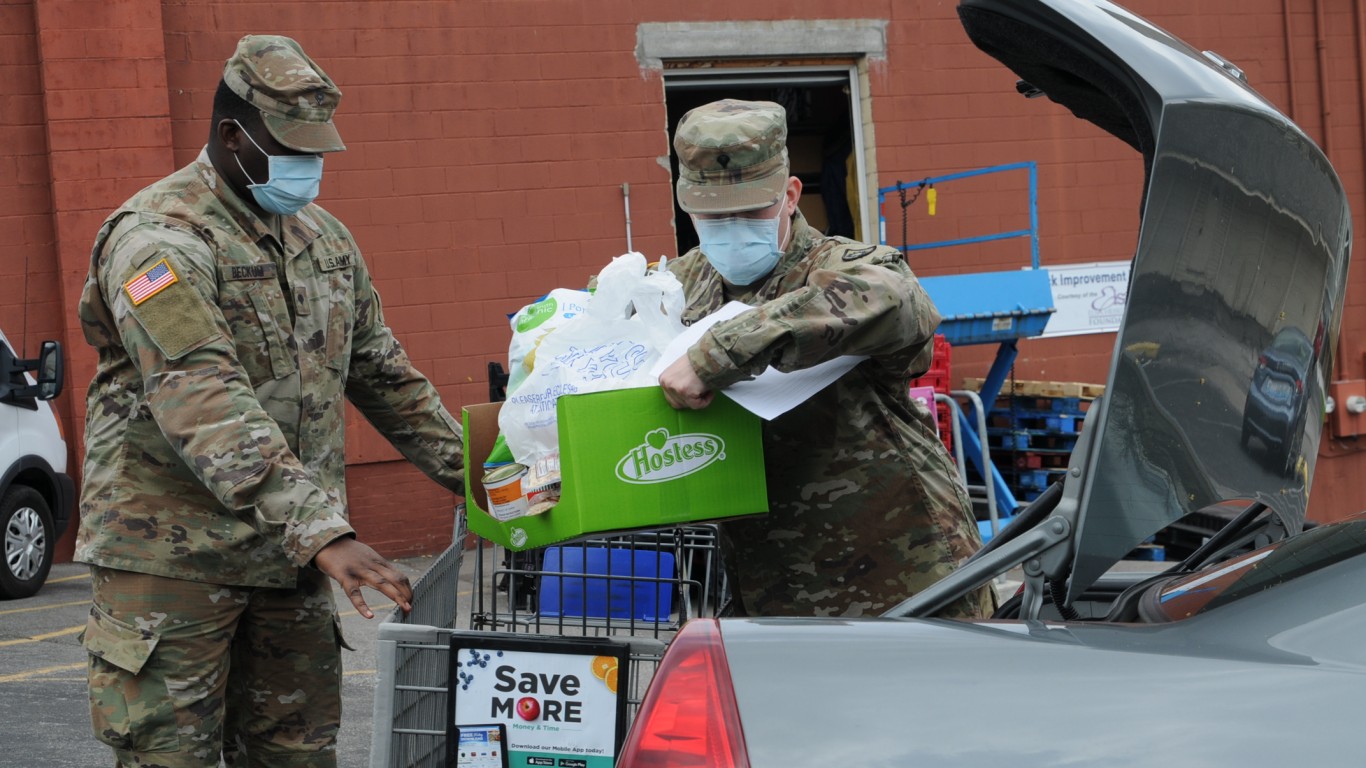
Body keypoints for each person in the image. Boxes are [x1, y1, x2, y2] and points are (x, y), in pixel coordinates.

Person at [75, 35, 465, 767]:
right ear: (232, 134)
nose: (308, 169)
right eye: (291, 148)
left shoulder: (323, 240)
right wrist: (324, 531)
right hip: (174, 564)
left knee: (297, 755)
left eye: (318, 152)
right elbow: (199, 395)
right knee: (170, 757)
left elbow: (383, 375)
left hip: (286, 561)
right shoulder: (160, 243)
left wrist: (483, 475)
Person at [658, 99, 993, 618]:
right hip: (770, 586)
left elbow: (898, 299)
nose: (732, 227)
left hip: (902, 579)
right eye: (714, 214)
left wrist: (720, 352)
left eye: (751, 211)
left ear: (790, 195)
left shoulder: (840, 265)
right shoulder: (679, 286)